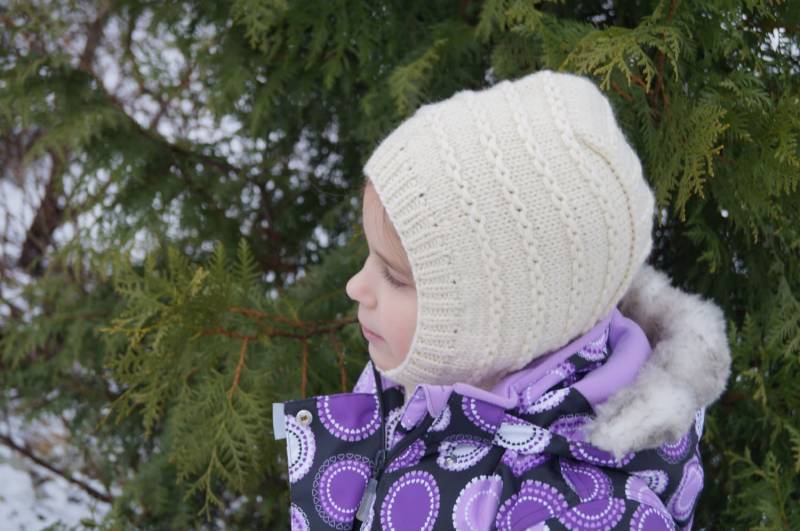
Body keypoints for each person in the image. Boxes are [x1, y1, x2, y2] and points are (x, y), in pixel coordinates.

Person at [273, 70, 731, 530]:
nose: (357, 286)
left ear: (500, 324)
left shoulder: (577, 513)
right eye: (371, 256)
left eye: (394, 275)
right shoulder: (429, 384)